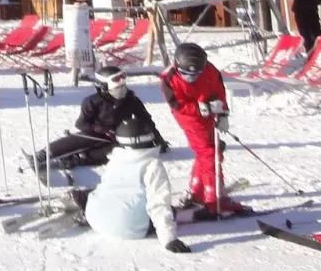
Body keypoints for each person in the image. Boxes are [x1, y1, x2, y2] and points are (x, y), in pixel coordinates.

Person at [68, 116, 189, 254]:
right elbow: (159, 203)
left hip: (95, 219)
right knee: (171, 211)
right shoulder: (151, 164)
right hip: (128, 227)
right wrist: (169, 238)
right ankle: (114, 215)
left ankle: (87, 201)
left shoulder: (115, 158)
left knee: (107, 189)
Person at [160, 42, 248, 217]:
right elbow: (177, 105)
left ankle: (196, 190)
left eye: (196, 74)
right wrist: (199, 108)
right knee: (209, 153)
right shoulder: (169, 78)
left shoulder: (210, 70)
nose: (192, 78)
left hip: (210, 112)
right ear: (177, 67)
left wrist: (223, 113)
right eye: (186, 74)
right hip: (189, 117)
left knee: (207, 150)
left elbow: (219, 91)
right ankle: (213, 198)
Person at [33, 66, 166, 175]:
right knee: (81, 139)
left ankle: (77, 159)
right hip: (95, 131)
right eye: (117, 88)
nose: (122, 91)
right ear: (103, 87)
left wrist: (158, 140)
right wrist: (101, 129)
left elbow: (146, 119)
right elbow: (81, 124)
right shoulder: (92, 102)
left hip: (119, 135)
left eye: (123, 87)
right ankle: (45, 154)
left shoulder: (131, 100)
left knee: (118, 151)